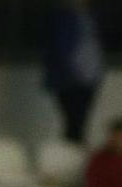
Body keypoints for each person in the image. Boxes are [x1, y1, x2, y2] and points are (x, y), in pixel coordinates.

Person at [44, 0, 104, 143]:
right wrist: (73, 72)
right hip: (72, 79)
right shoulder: (63, 17)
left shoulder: (88, 16)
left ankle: (76, 148)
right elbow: (61, 48)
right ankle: (71, 151)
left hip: (88, 77)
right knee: (73, 121)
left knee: (81, 120)